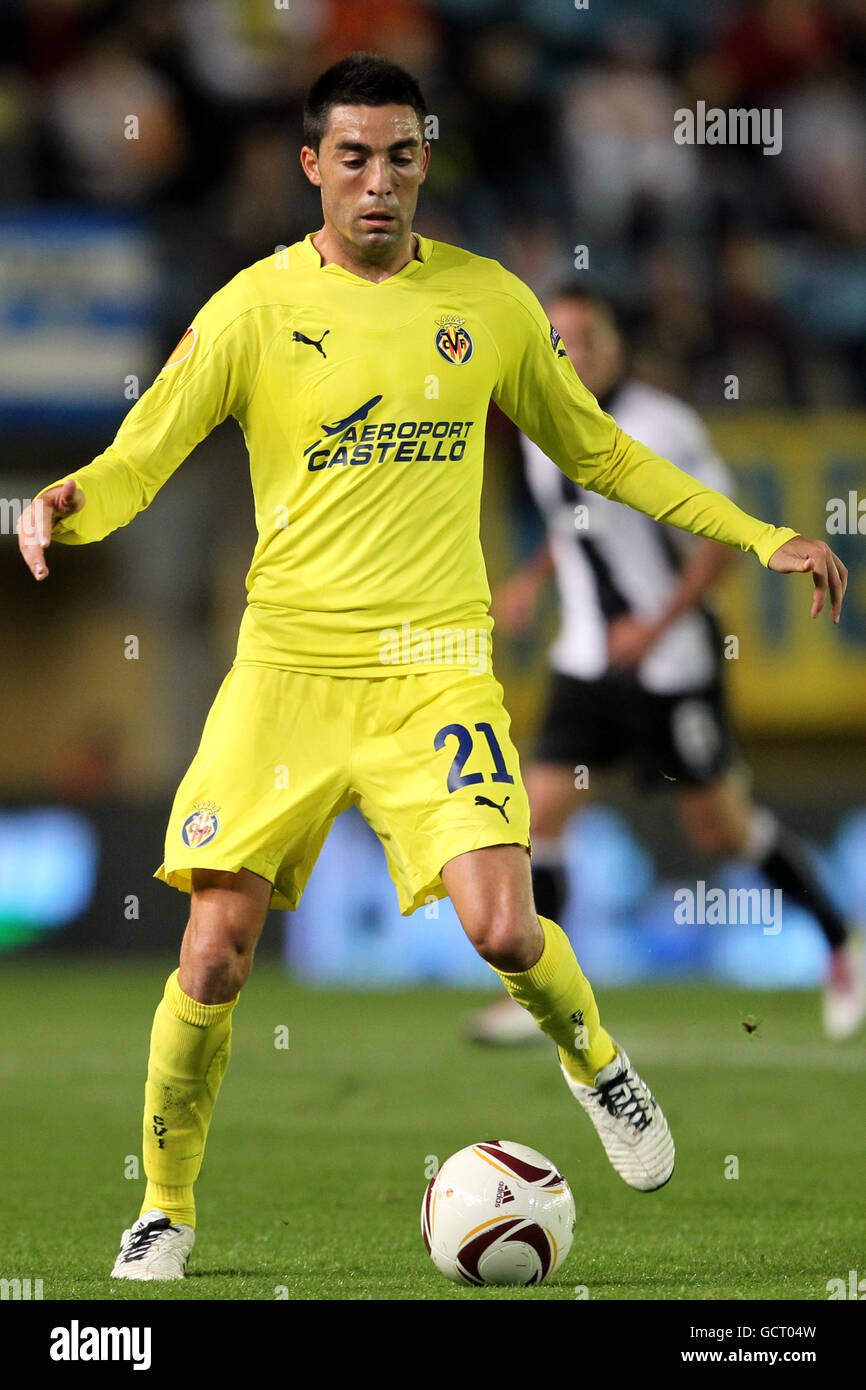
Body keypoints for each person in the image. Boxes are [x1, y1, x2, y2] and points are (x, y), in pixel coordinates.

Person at [18, 54, 847, 1282]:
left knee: (507, 928)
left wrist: (755, 532)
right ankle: (166, 1207)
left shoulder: (491, 305)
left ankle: (595, 1063)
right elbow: (141, 457)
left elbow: (603, 453)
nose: (377, 182)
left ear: (423, 162)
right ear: (311, 166)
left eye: (400, 156)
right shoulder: (251, 307)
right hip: (287, 671)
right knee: (212, 953)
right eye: (351, 157)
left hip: (434, 669)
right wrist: (66, 504)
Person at [469, 287, 864, 1048]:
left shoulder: (663, 425)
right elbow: (576, 519)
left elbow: (716, 539)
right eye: (561, 338)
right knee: (535, 814)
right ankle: (541, 994)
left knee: (720, 824)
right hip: (587, 660)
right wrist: (531, 579)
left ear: (616, 344)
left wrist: (654, 629)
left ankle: (842, 941)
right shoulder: (538, 424)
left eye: (588, 335)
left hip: (673, 664)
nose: (574, 351)